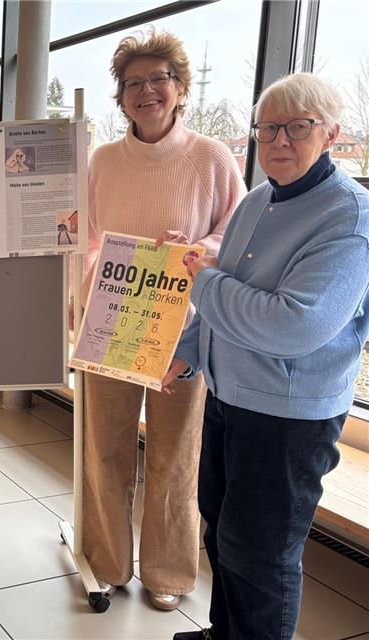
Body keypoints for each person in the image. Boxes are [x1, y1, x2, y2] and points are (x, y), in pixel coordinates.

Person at [164, 73, 369, 640]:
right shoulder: (257, 200)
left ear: (330, 135)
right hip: (228, 395)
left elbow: (294, 324)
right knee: (221, 530)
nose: (279, 140)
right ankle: (224, 632)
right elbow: (224, 296)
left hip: (288, 416)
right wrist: (187, 352)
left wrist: (202, 279)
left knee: (261, 555)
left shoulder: (350, 217)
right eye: (268, 128)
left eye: (297, 127)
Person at [80, 28, 246, 611]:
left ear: (180, 88)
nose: (145, 91)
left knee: (176, 452)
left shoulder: (211, 158)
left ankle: (169, 573)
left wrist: (197, 246)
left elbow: (240, 236)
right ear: (120, 95)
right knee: (104, 446)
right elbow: (86, 239)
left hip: (185, 331)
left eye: (158, 80)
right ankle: (105, 559)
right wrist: (92, 288)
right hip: (113, 321)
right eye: (132, 83)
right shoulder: (102, 160)